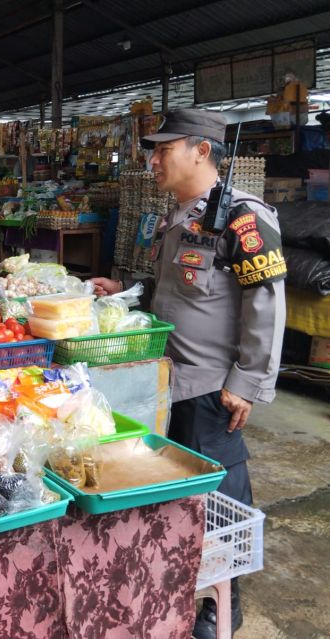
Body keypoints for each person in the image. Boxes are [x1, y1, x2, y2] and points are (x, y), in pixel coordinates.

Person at [91, 108, 286, 639]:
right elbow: (175, 293)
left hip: (211, 388)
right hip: (166, 381)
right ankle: (175, 591)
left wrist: (246, 382)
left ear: (201, 151)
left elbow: (266, 304)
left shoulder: (242, 218)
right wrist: (127, 291)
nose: (153, 160)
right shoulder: (179, 216)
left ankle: (224, 606)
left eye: (163, 149)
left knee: (220, 500)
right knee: (170, 493)